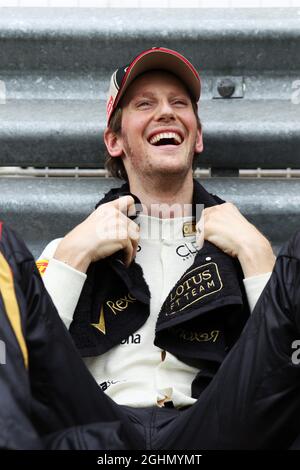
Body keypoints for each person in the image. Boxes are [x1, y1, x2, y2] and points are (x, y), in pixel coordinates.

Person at [1, 47, 300, 450]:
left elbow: (280, 372)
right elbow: (25, 362)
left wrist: (257, 255)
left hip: (213, 429)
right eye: (145, 103)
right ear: (114, 140)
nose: (166, 112)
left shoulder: (244, 246)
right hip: (97, 431)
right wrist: (73, 255)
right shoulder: (69, 248)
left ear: (197, 138)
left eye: (179, 103)